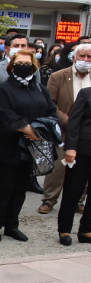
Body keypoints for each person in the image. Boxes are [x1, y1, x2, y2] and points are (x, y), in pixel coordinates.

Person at [0, 50, 57, 243]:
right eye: (20, 62)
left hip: (33, 147)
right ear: (12, 65)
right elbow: (4, 113)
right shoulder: (4, 88)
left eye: (28, 63)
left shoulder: (40, 89)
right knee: (4, 188)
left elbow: (51, 112)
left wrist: (39, 130)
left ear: (34, 66)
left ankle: (12, 225)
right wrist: (27, 128)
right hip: (9, 146)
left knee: (20, 189)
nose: (24, 65)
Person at [0, 34, 41, 215]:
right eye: (17, 45)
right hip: (1, 126)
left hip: (27, 131)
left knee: (20, 168)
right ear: (7, 48)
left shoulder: (34, 70)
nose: (21, 47)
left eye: (24, 44)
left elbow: (37, 98)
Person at [40, 43, 91, 215]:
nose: (85, 60)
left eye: (89, 57)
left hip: (86, 133)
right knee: (58, 167)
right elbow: (50, 103)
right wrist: (67, 120)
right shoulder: (59, 76)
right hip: (62, 128)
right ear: (74, 57)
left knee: (83, 168)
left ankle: (79, 201)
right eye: (82, 56)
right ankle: (49, 200)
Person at [59, 87, 91, 245]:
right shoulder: (86, 93)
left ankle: (86, 230)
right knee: (73, 191)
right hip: (82, 151)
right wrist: (71, 147)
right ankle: (64, 229)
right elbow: (74, 122)